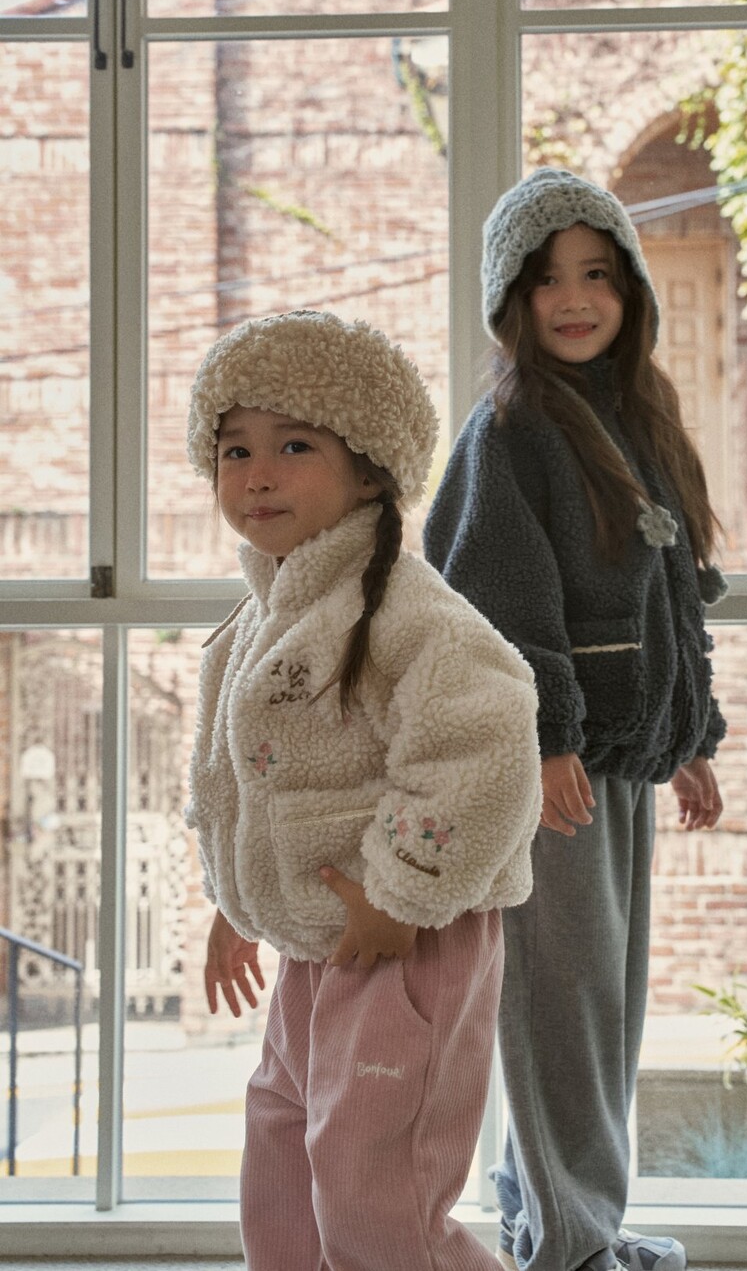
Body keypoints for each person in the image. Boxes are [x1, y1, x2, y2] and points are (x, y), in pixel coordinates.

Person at [184, 310, 542, 1271]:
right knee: (282, 1156)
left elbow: (486, 744)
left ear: (373, 468)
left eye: (294, 446)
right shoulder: (260, 617)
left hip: (406, 940)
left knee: (374, 1190)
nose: (257, 474)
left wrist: (400, 891)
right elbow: (233, 782)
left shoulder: (408, 613)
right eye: (235, 449)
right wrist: (234, 904)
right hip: (318, 942)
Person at [424, 168, 727, 1271]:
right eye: (546, 279)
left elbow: (671, 595)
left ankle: (558, 1227)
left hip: (618, 765)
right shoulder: (508, 432)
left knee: (602, 1007)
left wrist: (688, 736)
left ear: (630, 288)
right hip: (551, 775)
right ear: (511, 297)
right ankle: (573, 1246)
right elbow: (496, 601)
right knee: (564, 1011)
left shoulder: (636, 424)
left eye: (597, 274)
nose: (574, 299)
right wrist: (548, 736)